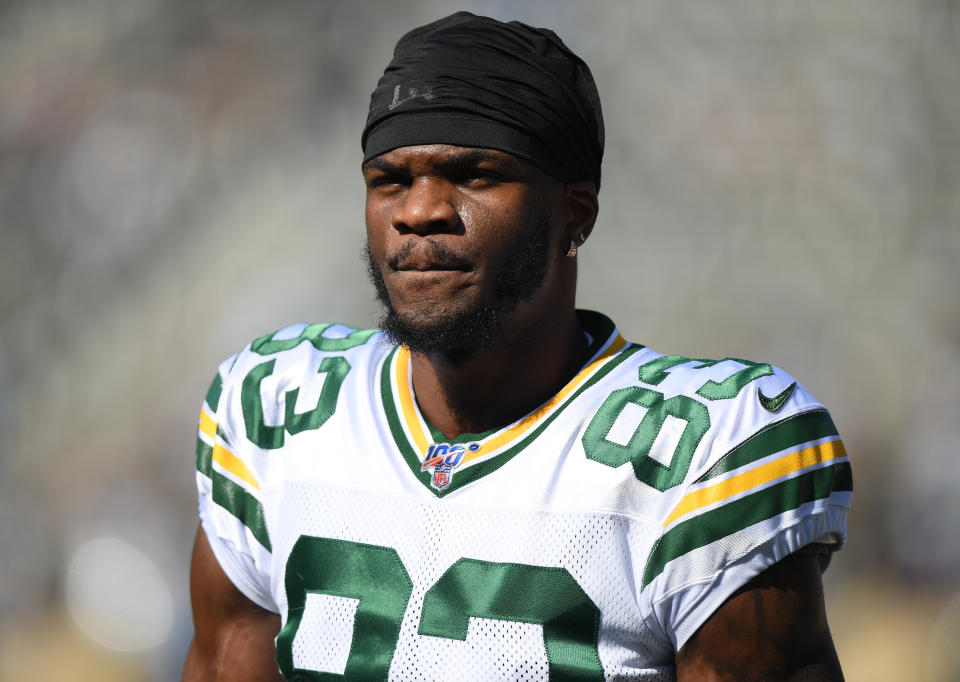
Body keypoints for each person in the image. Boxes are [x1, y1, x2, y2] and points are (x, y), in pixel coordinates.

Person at [182, 12, 851, 681]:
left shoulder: (705, 450)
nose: (419, 210)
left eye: (474, 174)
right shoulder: (278, 406)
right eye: (389, 179)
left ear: (576, 212)